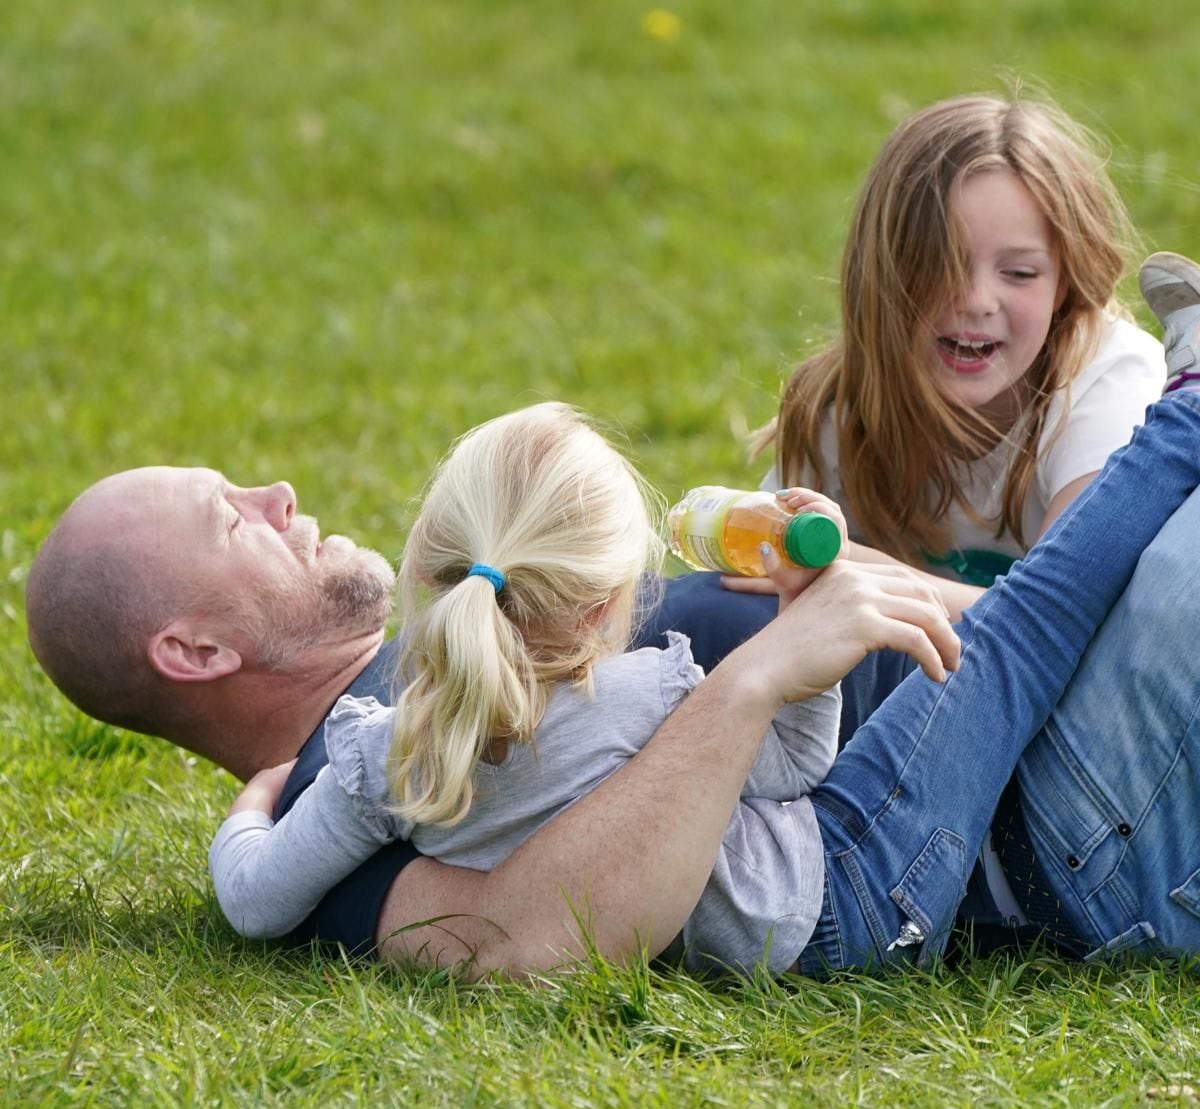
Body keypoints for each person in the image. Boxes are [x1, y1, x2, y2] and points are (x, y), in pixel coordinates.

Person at [23, 255, 1200, 976]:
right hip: (1058, 808)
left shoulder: (420, 691)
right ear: (194, 650)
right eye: (232, 519)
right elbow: (539, 942)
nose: (276, 494)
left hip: (1040, 721)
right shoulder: (374, 820)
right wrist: (752, 684)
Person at [209, 403, 852, 974]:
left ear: (435, 568)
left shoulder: (387, 758)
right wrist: (804, 623)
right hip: (798, 908)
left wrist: (258, 798)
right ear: (604, 604)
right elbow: (796, 765)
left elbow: (253, 901)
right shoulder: (658, 698)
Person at [747, 94, 1165, 617]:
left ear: (1067, 283)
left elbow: (1061, 620)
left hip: (1076, 691)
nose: (974, 301)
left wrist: (849, 571)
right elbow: (767, 570)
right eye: (941, 264)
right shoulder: (842, 403)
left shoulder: (1111, 381)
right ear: (882, 272)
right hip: (906, 671)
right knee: (715, 611)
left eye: (1019, 273)